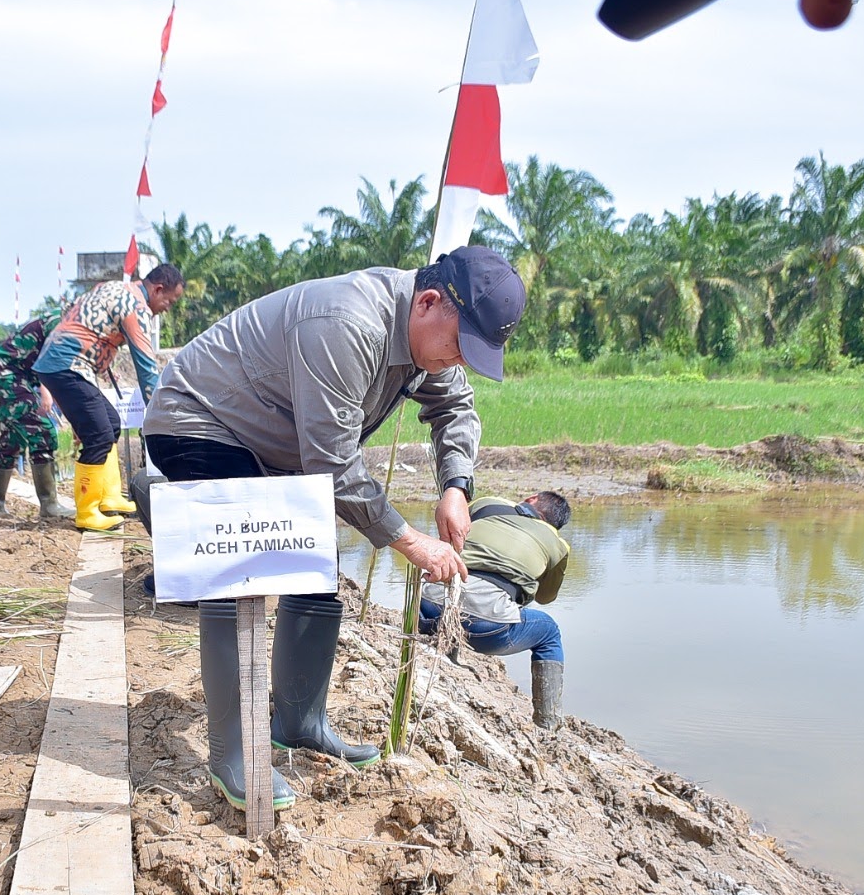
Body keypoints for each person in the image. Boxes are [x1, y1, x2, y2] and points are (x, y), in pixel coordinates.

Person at [140, 245, 525, 812]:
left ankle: (298, 720)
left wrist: (455, 487)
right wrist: (411, 541)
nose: (459, 363)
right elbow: (333, 466)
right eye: (461, 348)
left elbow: (457, 410)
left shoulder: (426, 344)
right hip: (200, 422)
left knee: (313, 564)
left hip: (274, 444)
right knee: (237, 577)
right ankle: (235, 756)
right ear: (429, 302)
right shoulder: (347, 325)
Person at [32, 265, 184, 531]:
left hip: (65, 363)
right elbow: (147, 369)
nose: (167, 308)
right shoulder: (135, 307)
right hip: (67, 365)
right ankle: (87, 512)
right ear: (158, 289)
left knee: (111, 423)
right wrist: (162, 415)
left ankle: (109, 497)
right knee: (99, 435)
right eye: (169, 301)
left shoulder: (113, 287)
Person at [417, 491, 572, 729]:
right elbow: (546, 597)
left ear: (531, 498)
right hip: (487, 631)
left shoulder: (489, 503)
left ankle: (447, 655)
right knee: (549, 632)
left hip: (426, 608)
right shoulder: (558, 545)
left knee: (458, 578)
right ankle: (548, 723)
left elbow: (451, 530)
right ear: (555, 525)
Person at [0, 317, 73, 520]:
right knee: (42, 431)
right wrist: (46, 393)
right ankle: (50, 506)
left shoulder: (70, 322)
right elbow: (50, 361)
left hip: (5, 374)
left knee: (12, 439)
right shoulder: (62, 321)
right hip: (7, 375)